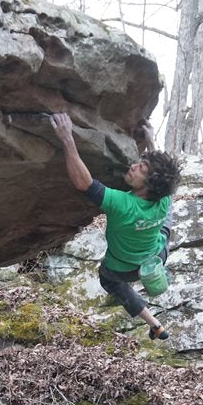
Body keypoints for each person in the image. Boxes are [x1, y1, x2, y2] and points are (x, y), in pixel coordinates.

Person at [51, 112, 182, 340]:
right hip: (157, 254)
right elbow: (163, 176)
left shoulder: (123, 204)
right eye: (140, 163)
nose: (134, 166)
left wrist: (67, 138)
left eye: (142, 169)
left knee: (107, 279)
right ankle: (155, 323)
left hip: (123, 268)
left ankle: (153, 317)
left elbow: (85, 183)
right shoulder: (163, 196)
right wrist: (150, 140)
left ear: (149, 184)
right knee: (166, 218)